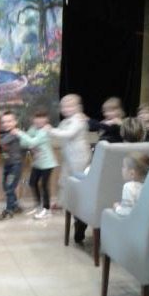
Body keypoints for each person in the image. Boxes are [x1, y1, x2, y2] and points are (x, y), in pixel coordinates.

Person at [47, 94, 91, 242]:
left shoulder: (78, 120)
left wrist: (50, 130)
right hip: (69, 159)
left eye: (70, 106)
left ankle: (80, 218)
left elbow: (68, 134)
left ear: (78, 107)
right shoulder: (66, 121)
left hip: (79, 159)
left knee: (78, 186)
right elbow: (59, 132)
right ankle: (69, 208)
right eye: (63, 106)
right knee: (65, 182)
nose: (65, 109)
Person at [14, 108, 58, 219]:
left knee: (44, 185)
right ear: (33, 119)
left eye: (42, 118)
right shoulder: (33, 128)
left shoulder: (45, 131)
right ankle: (39, 206)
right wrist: (30, 143)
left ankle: (47, 209)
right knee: (32, 183)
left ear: (46, 120)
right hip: (37, 163)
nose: (39, 121)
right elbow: (24, 143)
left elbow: (32, 141)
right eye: (37, 118)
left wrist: (20, 133)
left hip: (48, 163)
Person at [0, 110, 24, 220]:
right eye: (4, 122)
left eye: (9, 121)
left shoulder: (14, 133)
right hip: (8, 165)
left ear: (15, 122)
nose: (6, 124)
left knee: (9, 188)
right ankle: (15, 205)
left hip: (15, 166)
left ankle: (9, 210)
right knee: (6, 187)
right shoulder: (6, 133)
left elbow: (0, 143)